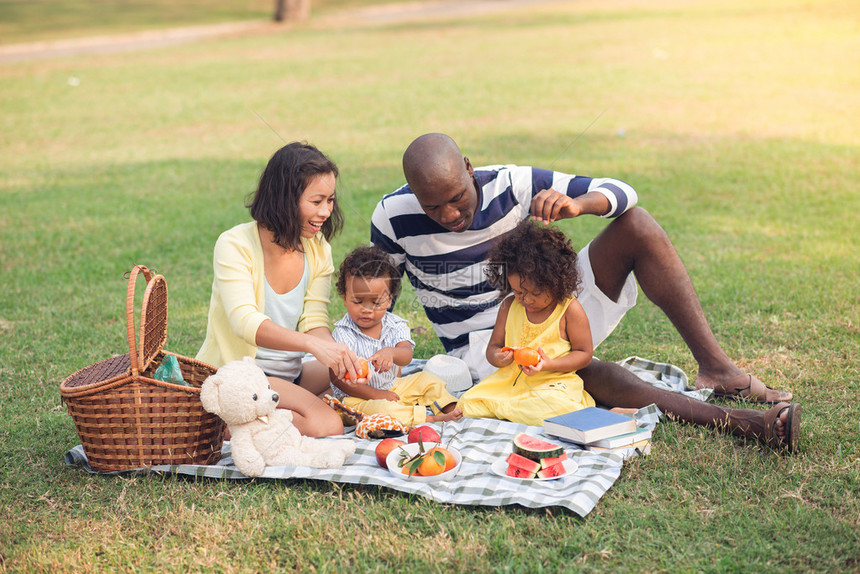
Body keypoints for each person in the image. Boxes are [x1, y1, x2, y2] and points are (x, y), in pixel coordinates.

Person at [370, 132, 800, 451]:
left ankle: (719, 370)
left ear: (468, 167)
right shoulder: (392, 216)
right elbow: (380, 299)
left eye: (457, 197)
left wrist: (578, 205)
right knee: (593, 374)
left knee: (637, 224)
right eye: (432, 206)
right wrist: (374, 364)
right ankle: (741, 422)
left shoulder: (512, 183)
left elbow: (624, 193)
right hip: (488, 351)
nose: (449, 214)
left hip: (550, 308)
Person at [197, 142, 365, 437]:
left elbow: (314, 320)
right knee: (328, 424)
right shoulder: (235, 245)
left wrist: (334, 352)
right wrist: (312, 346)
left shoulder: (318, 249)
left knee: (349, 377)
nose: (326, 211)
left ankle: (263, 415)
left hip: (288, 375)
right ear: (285, 199)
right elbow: (244, 322)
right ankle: (224, 423)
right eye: (317, 201)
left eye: (330, 200)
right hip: (242, 378)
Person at [458, 221, 597, 426]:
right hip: (509, 384)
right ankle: (513, 410)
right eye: (519, 292)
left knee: (555, 407)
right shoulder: (509, 306)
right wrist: (498, 357)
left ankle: (508, 411)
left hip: (552, 384)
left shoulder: (569, 309)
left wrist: (549, 364)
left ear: (556, 282)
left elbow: (584, 354)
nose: (527, 300)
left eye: (536, 293)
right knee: (466, 403)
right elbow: (493, 348)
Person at [328, 245, 463, 426]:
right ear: (344, 298)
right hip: (356, 399)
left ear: (389, 300)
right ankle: (429, 418)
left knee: (427, 379)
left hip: (393, 387)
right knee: (384, 411)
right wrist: (377, 395)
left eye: (376, 302)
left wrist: (391, 353)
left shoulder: (395, 325)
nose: (367, 310)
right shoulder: (343, 334)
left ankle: (449, 407)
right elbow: (336, 378)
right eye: (358, 301)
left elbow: (406, 355)